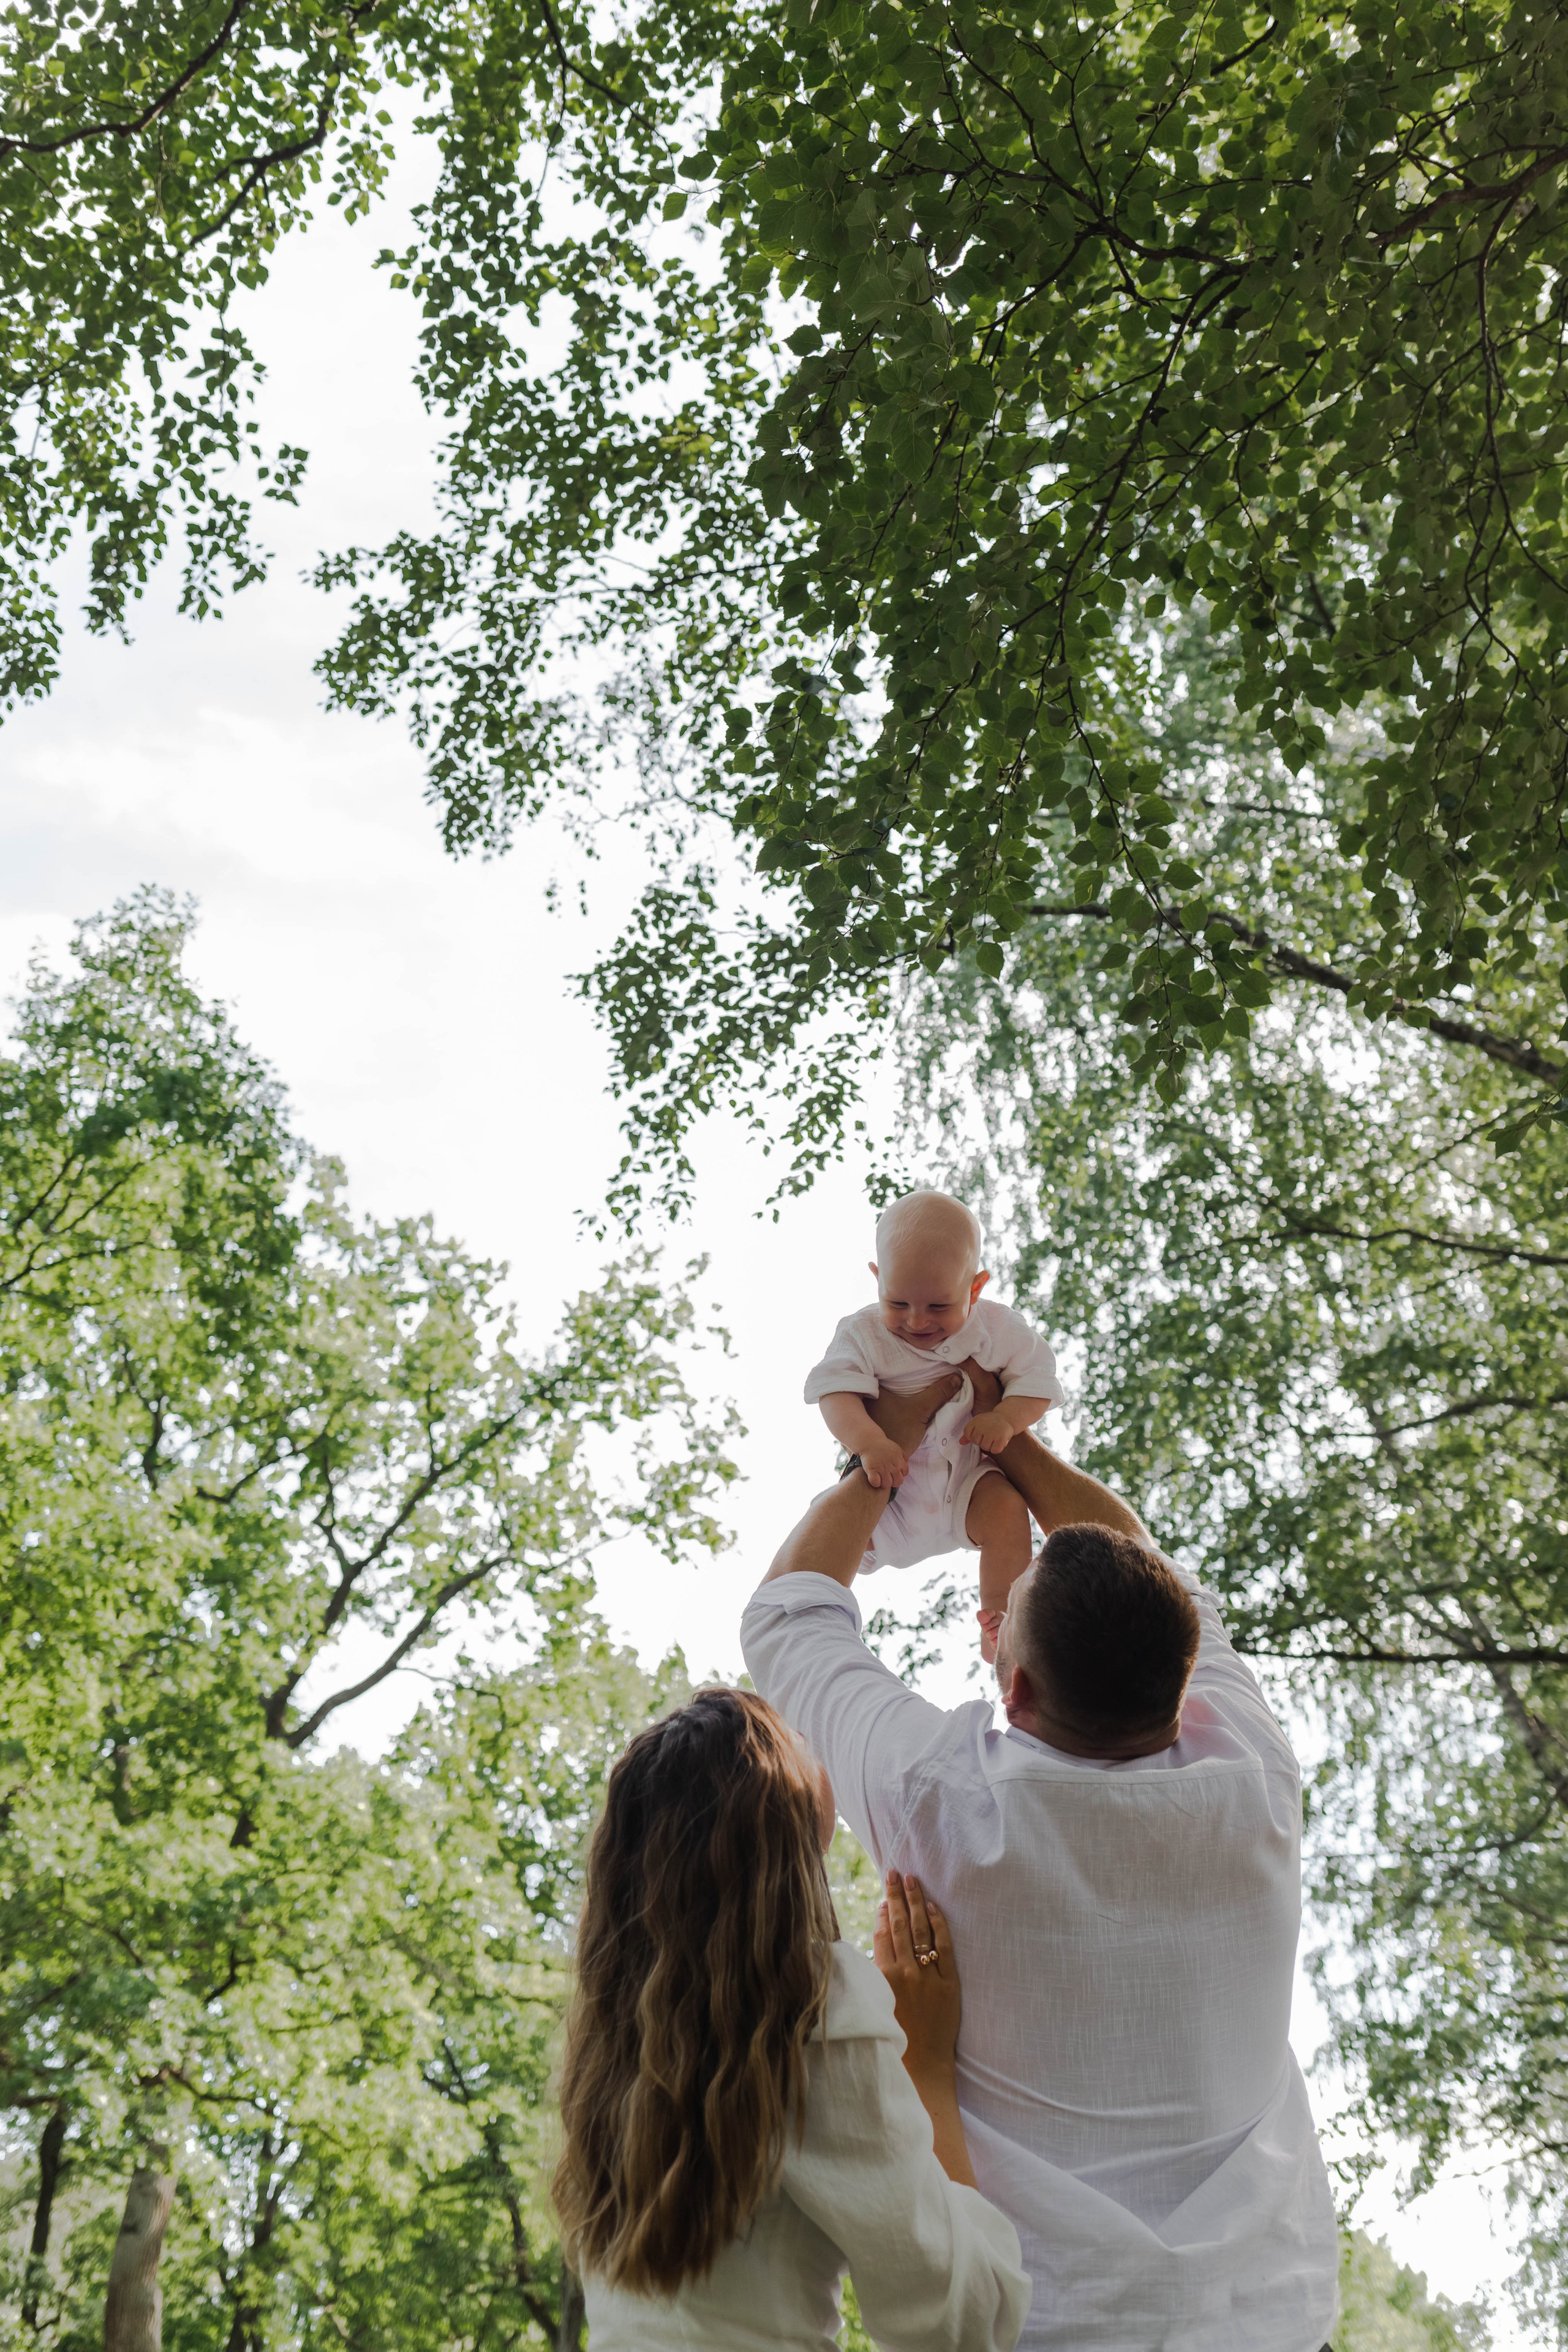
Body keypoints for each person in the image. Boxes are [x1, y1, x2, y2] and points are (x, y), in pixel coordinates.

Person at [743, 1368, 1340, 2352]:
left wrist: (881, 1460)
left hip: (1058, 2325)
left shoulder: (941, 1797)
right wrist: (1006, 1440)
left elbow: (787, 1618)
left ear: (1013, 1691)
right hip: (1271, 2320)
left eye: (1003, 1607)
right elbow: (1140, 1556)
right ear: (1186, 1680)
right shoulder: (1255, 1774)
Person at [552, 1684, 1031, 2352]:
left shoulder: (615, 2030)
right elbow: (963, 2322)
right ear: (784, 1819)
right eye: (800, 1744)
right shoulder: (811, 2007)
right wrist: (926, 2067)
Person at [806, 1189, 1063, 1656]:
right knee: (829, 1522)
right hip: (890, 1493)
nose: (917, 1321)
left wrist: (1006, 1417)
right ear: (877, 1279)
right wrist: (867, 1441)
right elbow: (833, 1393)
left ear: (975, 1288)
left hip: (968, 1485)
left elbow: (1039, 1382)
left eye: (940, 1308)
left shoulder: (996, 1328)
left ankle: (1003, 1627)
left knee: (1009, 1511)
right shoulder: (862, 1334)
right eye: (898, 1303)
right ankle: (812, 1625)